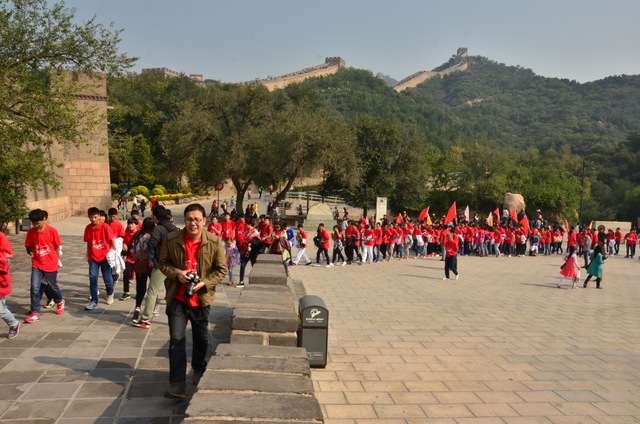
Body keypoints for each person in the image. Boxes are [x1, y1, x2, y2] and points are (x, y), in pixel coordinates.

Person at [159, 203, 227, 398]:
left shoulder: (214, 242)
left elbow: (221, 270)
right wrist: (177, 273)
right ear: (184, 220)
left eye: (197, 219)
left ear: (204, 221)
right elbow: (163, 263)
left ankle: (198, 368)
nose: (193, 223)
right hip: (178, 298)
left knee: (201, 338)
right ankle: (177, 384)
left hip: (201, 299)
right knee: (176, 340)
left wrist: (204, 282)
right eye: (189, 219)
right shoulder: (172, 239)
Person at [133, 205, 177, 328]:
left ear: (155, 217)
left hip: (161, 264)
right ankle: (175, 317)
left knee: (152, 291)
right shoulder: (173, 227)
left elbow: (152, 244)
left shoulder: (159, 228)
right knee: (172, 291)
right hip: (174, 264)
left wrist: (147, 240)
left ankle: (145, 319)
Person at [24, 209, 65, 323]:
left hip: (50, 263)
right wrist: (30, 251)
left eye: (38, 223)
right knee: (34, 287)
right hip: (37, 263)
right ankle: (35, 312)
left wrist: (56, 260)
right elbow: (28, 245)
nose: (36, 226)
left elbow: (57, 246)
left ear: (44, 219)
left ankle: (59, 300)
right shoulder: (31, 232)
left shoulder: (52, 231)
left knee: (52, 286)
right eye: (34, 224)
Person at [84, 207, 117, 310]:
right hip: (93, 256)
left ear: (99, 216)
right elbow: (89, 242)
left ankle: (110, 293)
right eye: (91, 217)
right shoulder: (88, 228)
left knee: (107, 278)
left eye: (95, 217)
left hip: (105, 256)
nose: (93, 219)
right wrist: (87, 253)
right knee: (92, 278)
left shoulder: (105, 227)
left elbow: (112, 239)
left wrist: (114, 252)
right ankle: (94, 301)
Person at [129, 218, 156, 321]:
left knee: (140, 287)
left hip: (140, 265)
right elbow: (153, 251)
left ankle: (137, 307)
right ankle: (152, 308)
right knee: (153, 288)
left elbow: (135, 253)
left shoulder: (138, 235)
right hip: (151, 265)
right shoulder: (152, 236)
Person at [0, 231, 19, 339]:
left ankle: (13, 324)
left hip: (1, 278)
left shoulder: (1, 236)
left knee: (0, 310)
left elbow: (9, 254)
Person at [119, 217, 139, 301]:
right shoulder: (126, 234)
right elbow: (124, 241)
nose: (130, 226)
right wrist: (124, 245)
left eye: (132, 224)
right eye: (129, 224)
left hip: (138, 260)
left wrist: (137, 245)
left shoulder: (139, 234)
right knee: (126, 274)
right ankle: (126, 292)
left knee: (139, 278)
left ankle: (139, 293)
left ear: (136, 225)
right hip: (130, 259)